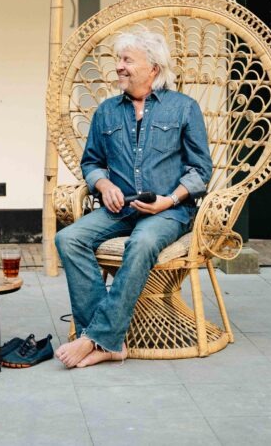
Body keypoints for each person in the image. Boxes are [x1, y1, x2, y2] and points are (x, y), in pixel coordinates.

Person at [54, 28, 213, 368]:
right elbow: (91, 162)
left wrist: (169, 200)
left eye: (127, 60)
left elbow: (201, 170)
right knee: (68, 238)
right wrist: (103, 186)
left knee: (141, 243)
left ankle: (96, 338)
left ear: (153, 68)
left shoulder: (184, 108)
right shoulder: (107, 111)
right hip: (121, 208)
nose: (119, 67)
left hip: (169, 211)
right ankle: (107, 340)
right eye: (118, 59)